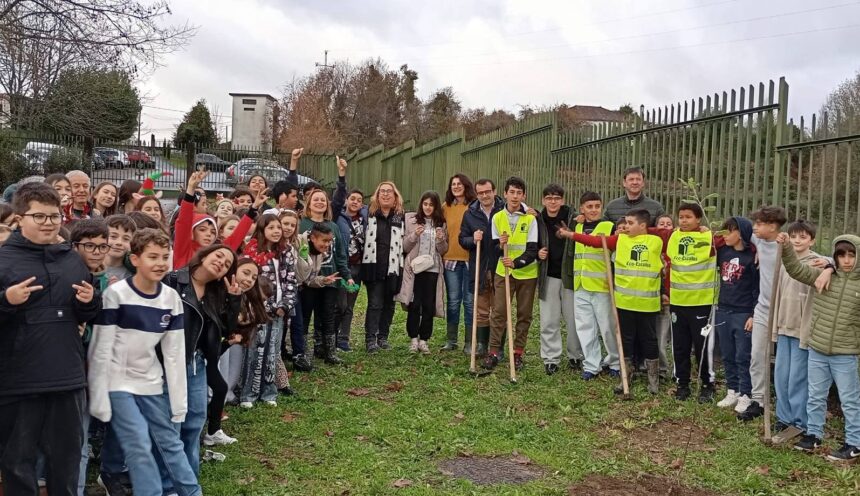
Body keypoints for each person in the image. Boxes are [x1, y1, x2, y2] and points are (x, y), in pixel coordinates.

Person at [0, 182, 100, 496]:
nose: (48, 223)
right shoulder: (3, 260)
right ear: (19, 219)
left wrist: (89, 303)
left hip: (67, 379)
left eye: (54, 216)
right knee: (17, 462)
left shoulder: (71, 260)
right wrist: (5, 299)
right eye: (39, 216)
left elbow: (87, 314)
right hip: (18, 380)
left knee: (66, 461)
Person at [88, 228, 200, 496]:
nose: (160, 263)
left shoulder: (170, 298)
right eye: (152, 256)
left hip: (149, 380)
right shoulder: (116, 295)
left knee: (170, 442)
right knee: (138, 442)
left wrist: (179, 402)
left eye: (165, 256)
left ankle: (192, 492)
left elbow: (174, 354)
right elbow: (101, 346)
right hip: (118, 381)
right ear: (135, 259)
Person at [159, 244, 241, 487]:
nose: (221, 263)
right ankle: (168, 486)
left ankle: (188, 483)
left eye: (227, 264)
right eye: (218, 256)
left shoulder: (216, 293)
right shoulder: (173, 281)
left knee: (194, 423)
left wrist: (234, 301)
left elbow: (225, 331)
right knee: (171, 426)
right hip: (169, 364)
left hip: (197, 364)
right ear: (204, 255)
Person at [777, 232, 860, 461]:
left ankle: (854, 443)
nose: (846, 260)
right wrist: (786, 247)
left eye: (851, 255)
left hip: (845, 353)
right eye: (840, 255)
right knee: (815, 396)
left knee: (849, 400)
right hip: (818, 348)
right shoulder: (824, 276)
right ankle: (814, 435)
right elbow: (796, 269)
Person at [564, 209, 665, 394]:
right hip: (624, 302)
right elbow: (596, 242)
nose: (625, 226)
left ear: (643, 226)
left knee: (649, 340)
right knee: (626, 339)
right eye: (625, 222)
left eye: (631, 223)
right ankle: (626, 376)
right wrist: (571, 234)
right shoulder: (620, 240)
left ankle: (653, 378)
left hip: (647, 304)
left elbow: (671, 232)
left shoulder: (656, 241)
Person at [557, 191, 620, 380]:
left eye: (597, 206)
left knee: (607, 326)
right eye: (589, 206)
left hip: (601, 286)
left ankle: (615, 361)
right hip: (580, 285)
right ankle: (592, 364)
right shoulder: (577, 225)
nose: (593, 210)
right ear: (582, 208)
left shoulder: (609, 226)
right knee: (585, 327)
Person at [769, 220, 822, 434]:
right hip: (784, 326)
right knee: (781, 376)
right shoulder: (783, 261)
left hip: (802, 330)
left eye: (803, 237)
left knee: (797, 378)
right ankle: (784, 417)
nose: (798, 240)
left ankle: (800, 421)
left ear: (812, 240)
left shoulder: (818, 262)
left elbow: (835, 267)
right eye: (794, 236)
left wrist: (828, 265)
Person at [482, 177, 539, 371]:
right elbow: (492, 248)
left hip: (526, 273)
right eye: (511, 192)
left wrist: (516, 263)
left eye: (519, 193)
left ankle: (518, 353)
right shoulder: (497, 217)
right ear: (505, 194)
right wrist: (500, 244)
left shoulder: (530, 218)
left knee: (524, 314)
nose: (515, 196)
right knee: (499, 312)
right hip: (503, 272)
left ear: (524, 195)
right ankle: (494, 351)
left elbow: (533, 249)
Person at [240, 214, 298, 406]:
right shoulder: (252, 251)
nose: (276, 231)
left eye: (278, 228)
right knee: (254, 350)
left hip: (280, 311)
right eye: (271, 228)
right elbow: (249, 283)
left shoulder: (286, 251)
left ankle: (269, 392)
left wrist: (284, 306)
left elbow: (291, 280)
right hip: (258, 310)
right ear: (262, 230)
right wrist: (264, 307)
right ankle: (248, 393)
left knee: (273, 351)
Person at [738, 206, 787, 421]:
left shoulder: (787, 245)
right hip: (763, 308)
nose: (754, 228)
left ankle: (787, 407)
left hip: (784, 312)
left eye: (759, 224)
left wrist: (829, 266)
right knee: (757, 355)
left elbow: (822, 259)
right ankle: (758, 400)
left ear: (773, 226)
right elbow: (737, 227)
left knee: (785, 361)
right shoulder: (758, 242)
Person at [535, 184, 584, 376]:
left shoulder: (573, 218)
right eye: (549, 198)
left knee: (574, 318)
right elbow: (531, 242)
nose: (553, 202)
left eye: (556, 198)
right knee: (549, 319)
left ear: (562, 200)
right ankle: (551, 358)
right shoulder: (537, 219)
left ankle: (575, 355)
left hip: (569, 276)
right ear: (543, 200)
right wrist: (538, 253)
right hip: (548, 275)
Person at [299, 189, 351, 365]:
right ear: (309, 203)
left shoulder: (333, 226)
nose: (320, 202)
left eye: (323, 200)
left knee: (328, 315)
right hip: (308, 279)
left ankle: (329, 351)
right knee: (306, 314)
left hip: (330, 277)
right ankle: (304, 351)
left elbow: (340, 254)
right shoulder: (302, 225)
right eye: (316, 199)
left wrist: (346, 275)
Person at [173, 170, 264, 269]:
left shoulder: (217, 253)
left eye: (213, 232)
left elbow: (237, 236)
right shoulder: (184, 249)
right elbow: (183, 223)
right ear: (192, 232)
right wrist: (190, 189)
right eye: (202, 229)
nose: (208, 234)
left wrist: (253, 208)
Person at [713, 216, 759, 414]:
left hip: (743, 313)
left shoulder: (752, 257)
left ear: (740, 233)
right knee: (727, 353)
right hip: (723, 309)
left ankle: (746, 394)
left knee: (743, 355)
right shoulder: (722, 252)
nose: (725, 235)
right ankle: (732, 389)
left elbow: (758, 289)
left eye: (729, 231)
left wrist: (753, 314)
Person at [396, 191, 448, 353]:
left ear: (436, 206)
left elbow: (444, 250)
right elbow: (404, 247)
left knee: (428, 305)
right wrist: (414, 235)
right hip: (415, 269)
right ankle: (413, 338)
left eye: (431, 205)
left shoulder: (440, 223)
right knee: (414, 304)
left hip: (432, 270)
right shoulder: (411, 220)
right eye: (425, 204)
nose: (428, 207)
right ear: (421, 205)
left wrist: (441, 239)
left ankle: (424, 339)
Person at [459, 178, 505, 358]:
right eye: (481, 193)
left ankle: (498, 347)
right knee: (482, 309)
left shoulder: (504, 210)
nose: (485, 196)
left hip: (499, 266)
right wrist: (473, 239)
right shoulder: (470, 213)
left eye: (488, 192)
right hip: (478, 266)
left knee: (499, 310)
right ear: (477, 194)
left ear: (494, 191)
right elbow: (462, 240)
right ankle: (481, 345)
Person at [361, 181, 406, 353]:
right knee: (375, 304)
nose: (386, 194)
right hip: (374, 266)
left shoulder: (401, 217)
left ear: (395, 197)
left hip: (393, 267)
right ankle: (370, 338)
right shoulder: (369, 215)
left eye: (389, 192)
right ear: (377, 196)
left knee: (389, 305)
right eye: (382, 191)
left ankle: (383, 337)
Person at [440, 174, 476, 353]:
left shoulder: (473, 206)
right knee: (453, 300)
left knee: (469, 302)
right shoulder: (446, 207)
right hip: (451, 259)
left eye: (459, 184)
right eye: (453, 184)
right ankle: (451, 339)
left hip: (470, 259)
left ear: (466, 186)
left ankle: (470, 342)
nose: (456, 187)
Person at [335, 188, 367, 352]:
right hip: (343, 267)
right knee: (340, 303)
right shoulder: (338, 218)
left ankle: (343, 338)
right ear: (346, 200)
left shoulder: (365, 219)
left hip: (358, 267)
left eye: (359, 200)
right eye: (352, 199)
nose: (355, 202)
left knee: (349, 305)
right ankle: (332, 334)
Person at [654, 214, 675, 378]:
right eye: (661, 224)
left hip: (677, 299)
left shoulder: (675, 251)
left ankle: (676, 370)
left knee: (676, 340)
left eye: (668, 224)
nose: (665, 227)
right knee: (659, 339)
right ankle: (662, 369)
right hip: (658, 300)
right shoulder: (653, 250)